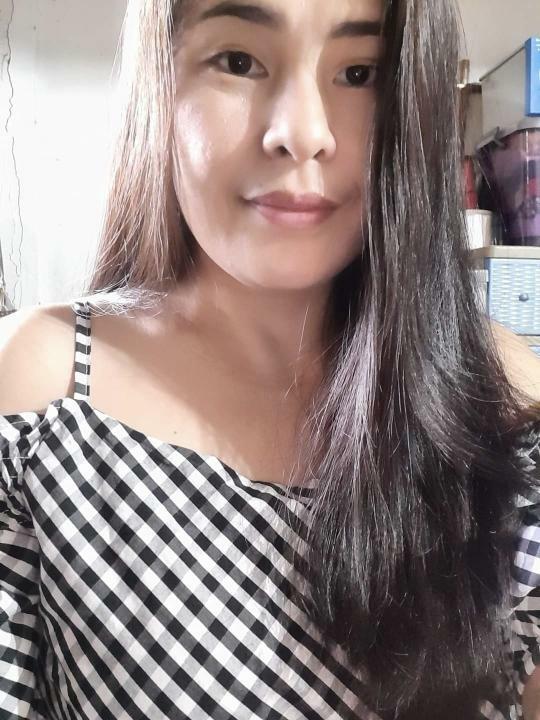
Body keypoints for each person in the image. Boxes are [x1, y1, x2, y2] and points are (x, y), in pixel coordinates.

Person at [1, 0, 540, 718]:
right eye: (238, 62)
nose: (302, 133)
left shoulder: (501, 396)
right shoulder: (41, 393)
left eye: (360, 72)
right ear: (160, 82)